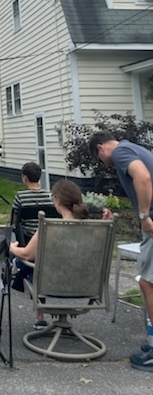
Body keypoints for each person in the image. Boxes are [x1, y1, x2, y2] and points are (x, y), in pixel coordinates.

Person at [89, 131, 153, 372]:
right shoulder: (137, 148)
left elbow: (144, 177)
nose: (104, 164)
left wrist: (144, 216)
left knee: (148, 282)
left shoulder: (121, 152)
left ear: (100, 149)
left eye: (99, 159)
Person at [10, 179, 89, 329]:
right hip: (85, 284)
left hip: (52, 283)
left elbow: (27, 255)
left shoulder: (48, 228)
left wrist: (11, 248)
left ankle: (17, 265)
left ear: (57, 199)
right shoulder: (94, 228)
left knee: (31, 263)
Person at [11, 161, 53, 243]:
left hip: (27, 238)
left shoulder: (21, 197)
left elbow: (14, 221)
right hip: (46, 237)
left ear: (25, 178)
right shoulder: (50, 196)